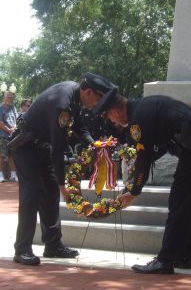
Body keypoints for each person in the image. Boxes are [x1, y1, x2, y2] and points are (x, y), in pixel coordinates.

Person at [92, 91, 191, 274]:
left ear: (115, 111)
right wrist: (132, 186)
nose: (112, 122)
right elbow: (155, 151)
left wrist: (134, 191)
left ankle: (165, 260)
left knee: (180, 201)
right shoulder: (143, 108)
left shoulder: (137, 121)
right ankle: (182, 255)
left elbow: (144, 158)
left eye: (109, 116)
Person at [8, 72, 117, 266]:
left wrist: (94, 144)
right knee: (31, 194)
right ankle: (22, 249)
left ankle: (53, 245)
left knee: (49, 195)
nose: (97, 105)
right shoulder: (63, 104)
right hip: (26, 149)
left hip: (42, 147)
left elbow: (79, 127)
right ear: (89, 91)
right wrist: (63, 187)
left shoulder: (74, 95)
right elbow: (58, 150)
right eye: (98, 99)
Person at [0, 91, 18, 182]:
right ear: (4, 97)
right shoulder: (0, 108)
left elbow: (17, 120)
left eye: (11, 97)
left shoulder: (13, 107)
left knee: (12, 156)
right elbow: (1, 123)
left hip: (13, 136)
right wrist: (9, 130)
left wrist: (14, 128)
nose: (9, 99)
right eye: (8, 97)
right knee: (2, 155)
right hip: (3, 136)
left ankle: (14, 175)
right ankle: (0, 175)